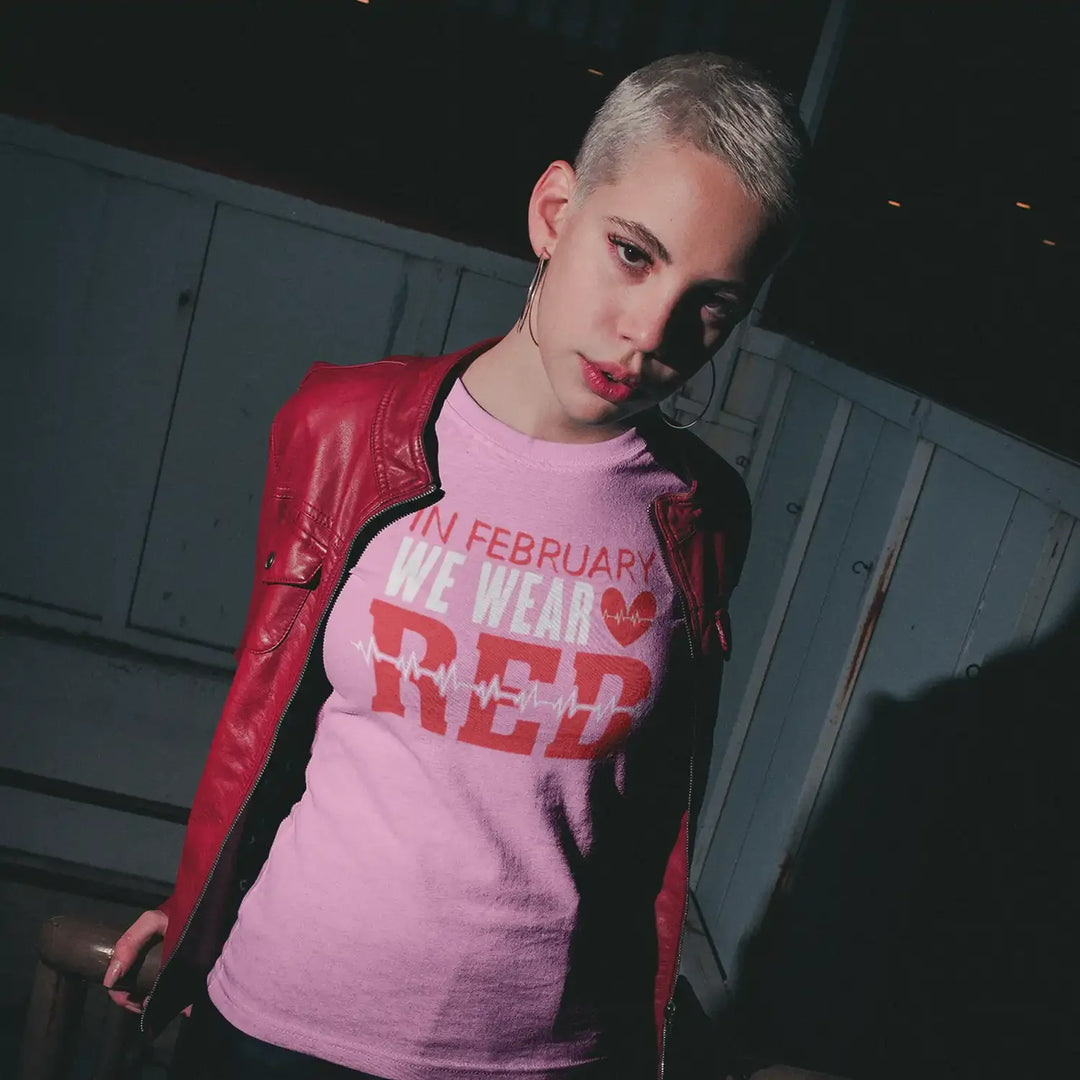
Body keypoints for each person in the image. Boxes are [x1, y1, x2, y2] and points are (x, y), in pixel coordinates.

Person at [104, 52, 807, 1079]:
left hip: (542, 1053)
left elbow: (639, 812)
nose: (649, 332)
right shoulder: (343, 428)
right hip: (276, 1021)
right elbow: (275, 714)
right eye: (631, 253)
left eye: (712, 303)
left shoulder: (701, 514)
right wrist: (197, 904)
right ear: (555, 211)